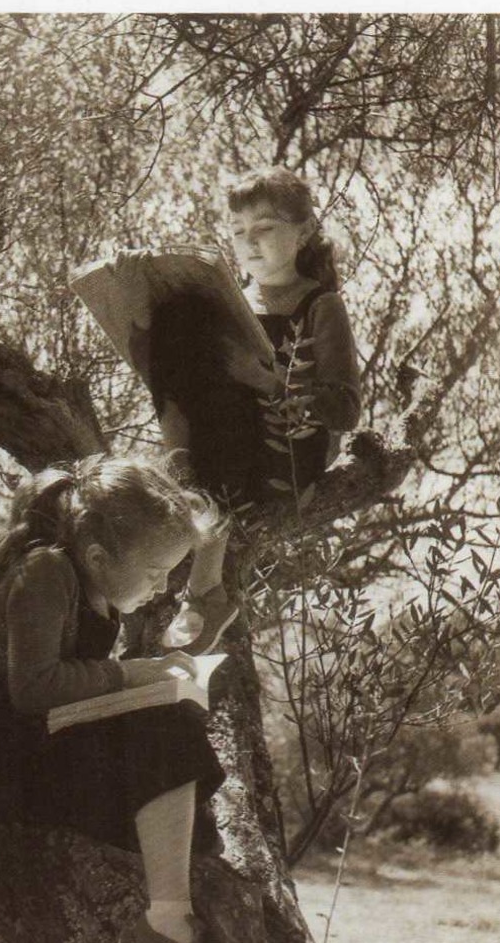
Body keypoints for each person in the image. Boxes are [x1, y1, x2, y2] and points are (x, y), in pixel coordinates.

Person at [0, 453, 234, 943]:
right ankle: (165, 928)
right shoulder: (46, 572)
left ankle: (175, 900)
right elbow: (33, 688)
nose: (159, 590)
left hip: (35, 744)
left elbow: (78, 690)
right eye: (154, 575)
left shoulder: (97, 587)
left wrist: (166, 665)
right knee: (165, 732)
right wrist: (132, 676)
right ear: (100, 555)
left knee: (172, 745)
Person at [152, 166, 362, 657]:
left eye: (265, 228)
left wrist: (264, 380)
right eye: (238, 231)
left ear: (304, 232)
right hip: (228, 448)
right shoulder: (227, 303)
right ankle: (180, 478)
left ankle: (206, 588)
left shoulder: (320, 304)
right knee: (173, 318)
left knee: (223, 404)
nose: (250, 242)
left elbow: (345, 410)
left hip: (288, 454)